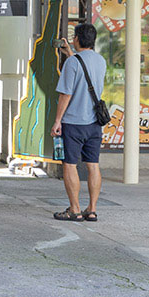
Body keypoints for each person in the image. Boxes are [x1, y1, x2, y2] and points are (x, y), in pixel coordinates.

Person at [50, 23, 107, 222]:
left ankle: (74, 209)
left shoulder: (72, 64)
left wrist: (57, 121)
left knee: (70, 165)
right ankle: (91, 209)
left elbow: (66, 94)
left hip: (73, 123)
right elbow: (85, 72)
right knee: (93, 165)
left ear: (76, 39)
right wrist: (70, 53)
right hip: (94, 123)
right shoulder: (100, 61)